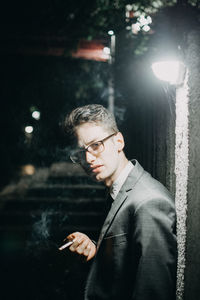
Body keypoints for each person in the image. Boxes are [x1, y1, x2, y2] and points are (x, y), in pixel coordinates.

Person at [64, 104, 177, 300]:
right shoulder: (118, 191)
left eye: (96, 145)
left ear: (119, 141)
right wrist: (96, 251)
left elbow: (153, 293)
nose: (89, 158)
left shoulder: (150, 203)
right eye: (81, 153)